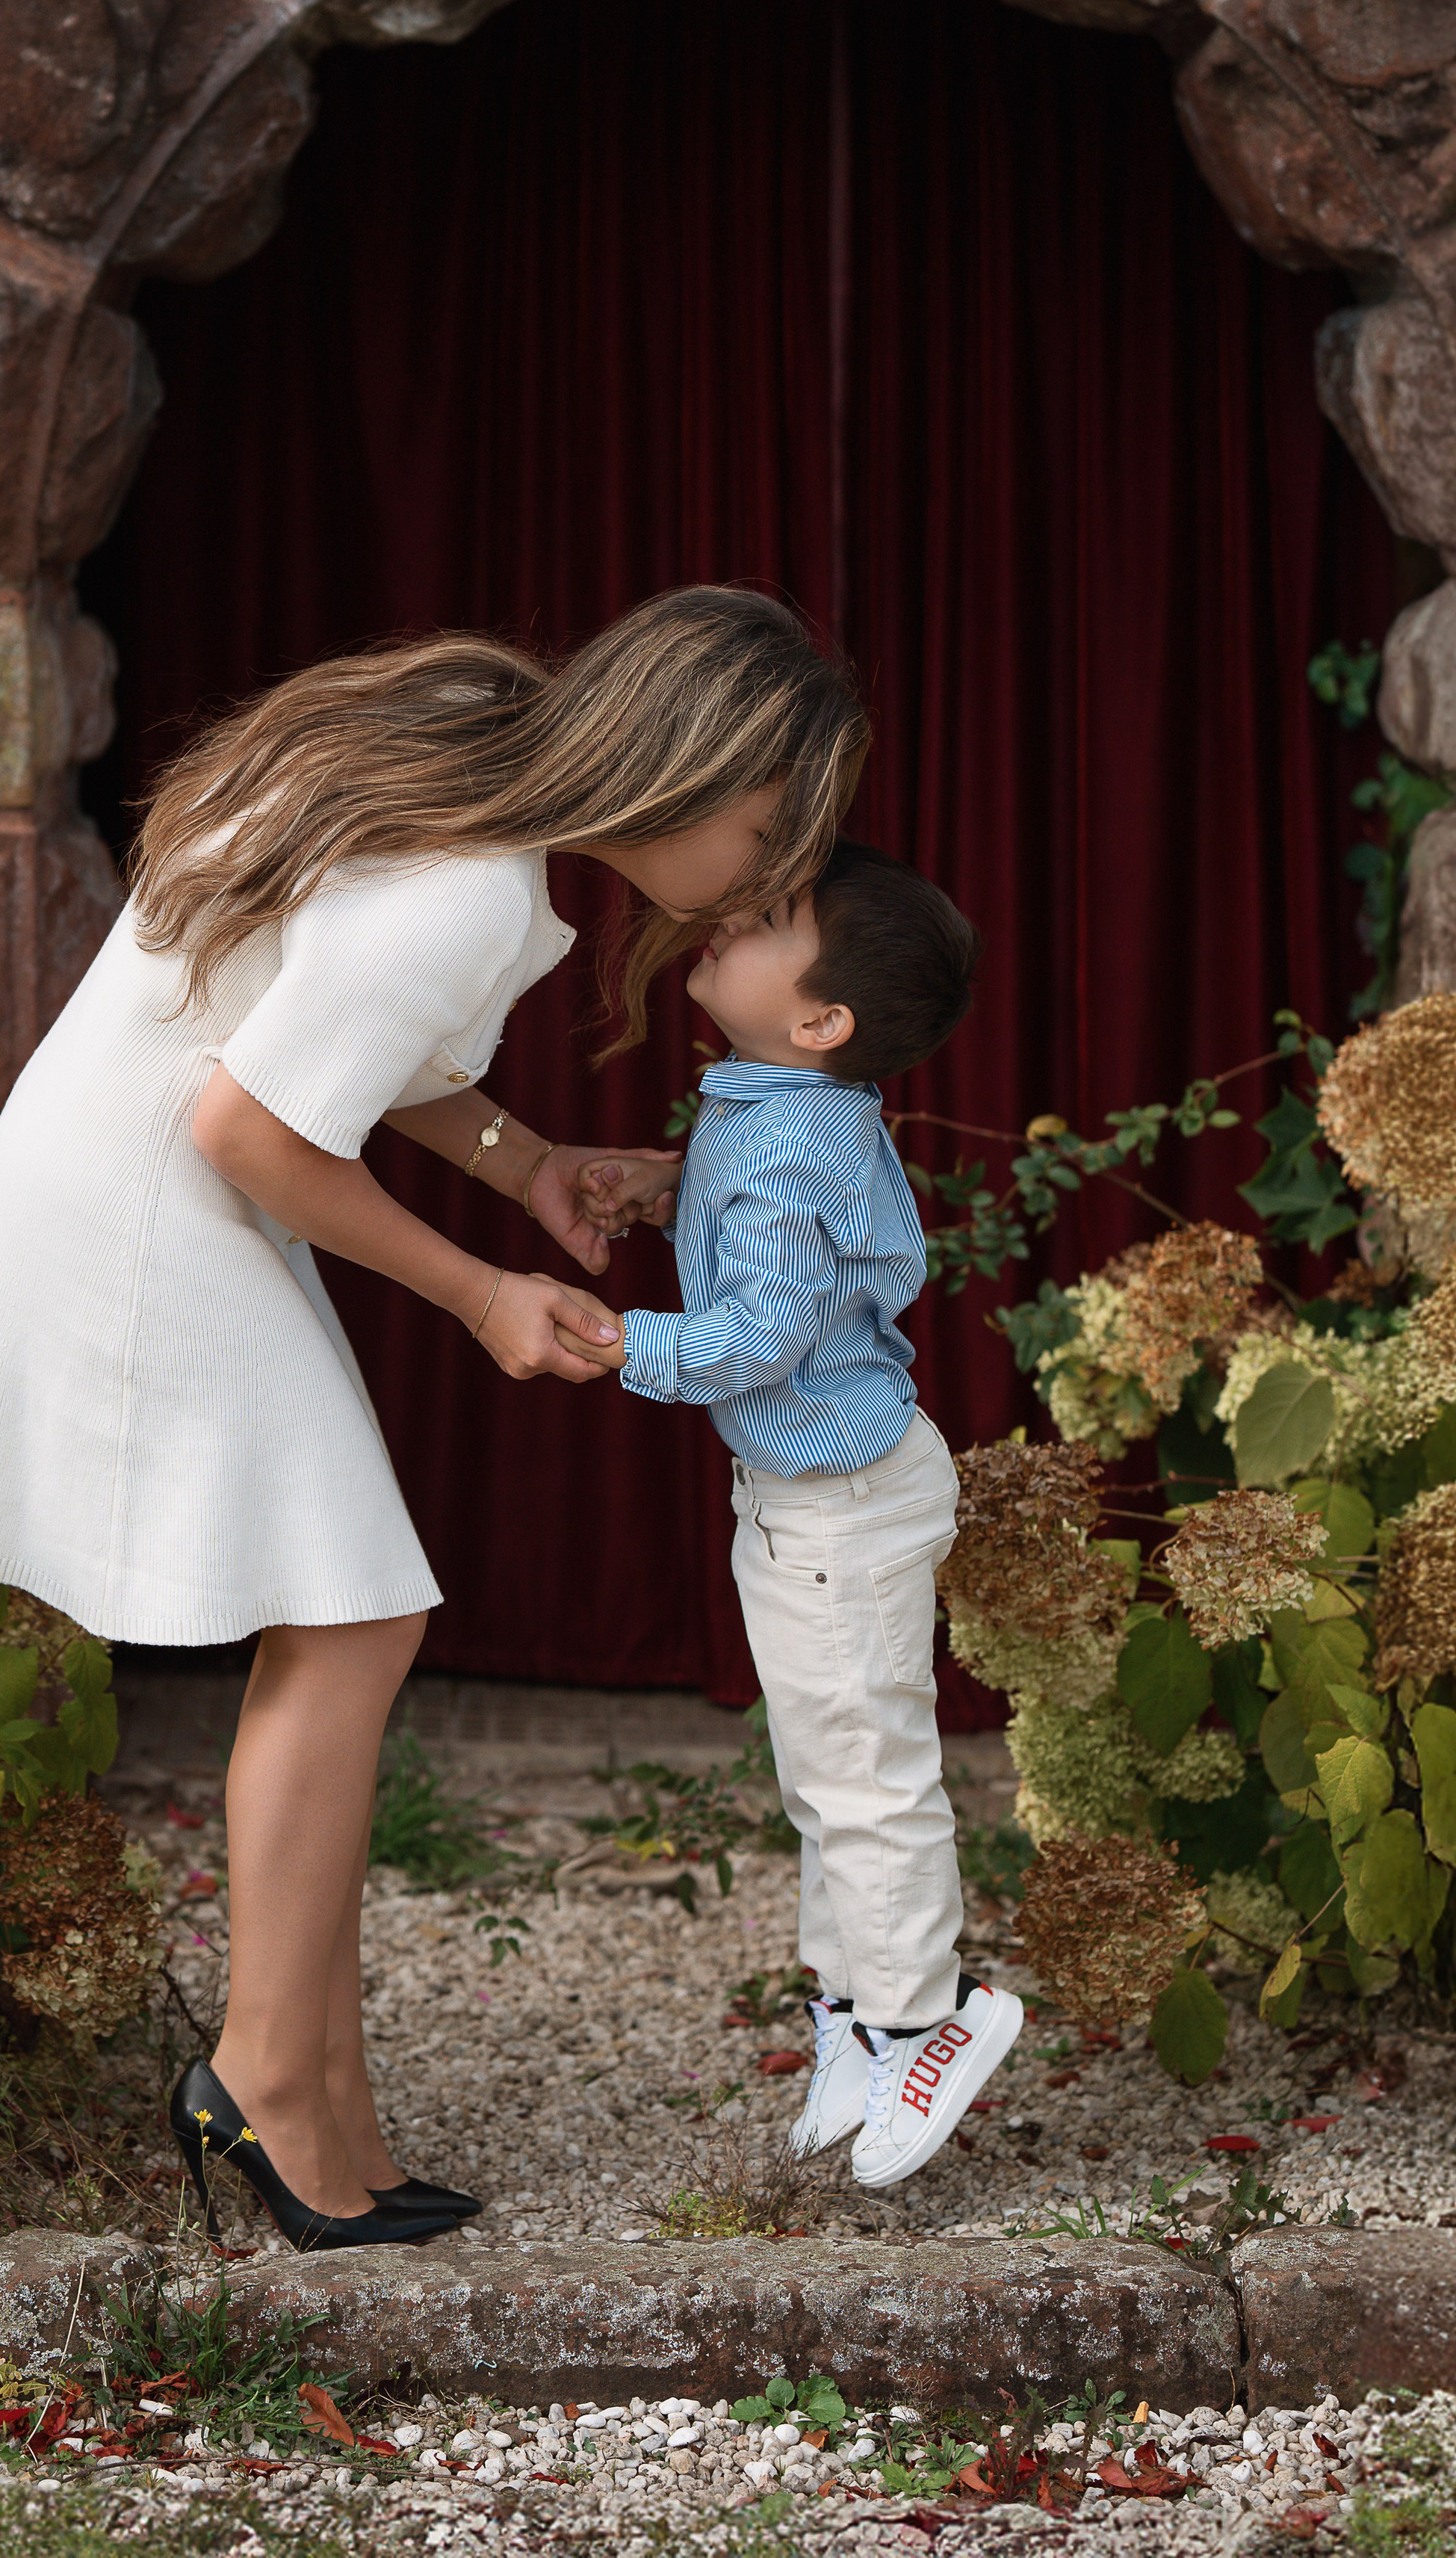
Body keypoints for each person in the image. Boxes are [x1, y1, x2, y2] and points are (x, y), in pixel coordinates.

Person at [0, 585, 871, 2249]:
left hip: (135, 1172)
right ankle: (266, 2086)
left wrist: (533, 1173)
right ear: (683, 766)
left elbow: (332, 1042)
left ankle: (321, 2094)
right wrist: (479, 1290)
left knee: (353, 1612)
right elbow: (249, 1126)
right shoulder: (463, 886)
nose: (764, 870)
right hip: (153, 1207)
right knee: (353, 1614)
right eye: (760, 823)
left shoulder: (463, 739)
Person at [566, 841, 1022, 2187]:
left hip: (836, 1507)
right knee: (823, 1775)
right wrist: (666, 1187)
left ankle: (931, 2020)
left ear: (822, 1019)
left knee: (866, 1776)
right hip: (819, 1492)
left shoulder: (782, 1146)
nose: (723, 918)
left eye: (764, 920)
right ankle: (852, 2015)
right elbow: (782, 1232)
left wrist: (619, 1340)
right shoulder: (778, 1108)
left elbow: (762, 1329)